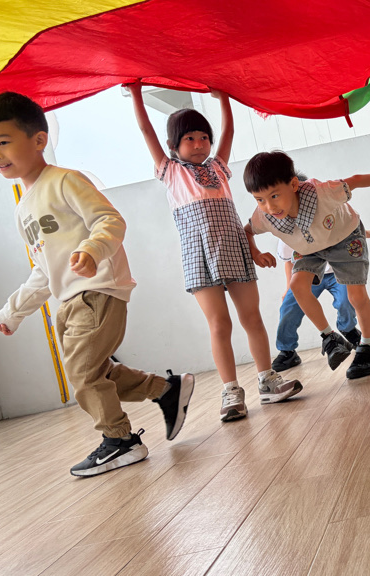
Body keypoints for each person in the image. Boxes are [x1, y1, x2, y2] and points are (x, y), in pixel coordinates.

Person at [0, 92, 194, 477]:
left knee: (82, 373)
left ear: (39, 139)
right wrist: (12, 312)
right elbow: (44, 270)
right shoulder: (23, 209)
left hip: (97, 290)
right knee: (96, 372)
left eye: (3, 142)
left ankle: (121, 440)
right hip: (68, 301)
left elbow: (110, 221)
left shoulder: (64, 181)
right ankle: (165, 390)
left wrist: (92, 250)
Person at [129, 84, 301, 420]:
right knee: (219, 324)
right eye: (190, 138)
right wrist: (136, 93)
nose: (199, 144)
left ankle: (267, 381)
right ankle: (231, 391)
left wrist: (224, 99)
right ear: (173, 145)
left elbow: (230, 131)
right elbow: (146, 129)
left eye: (204, 137)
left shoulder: (218, 168)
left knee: (252, 317)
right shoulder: (170, 171)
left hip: (233, 246)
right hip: (198, 255)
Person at [243, 151, 370, 379]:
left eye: (274, 196)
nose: (269, 206)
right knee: (297, 286)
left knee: (355, 296)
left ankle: (368, 344)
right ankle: (330, 337)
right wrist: (255, 253)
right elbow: (247, 231)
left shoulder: (323, 192)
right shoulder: (265, 216)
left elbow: (356, 180)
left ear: (294, 184)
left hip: (345, 237)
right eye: (260, 199)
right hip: (309, 248)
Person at [272, 230, 370, 371]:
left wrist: (364, 232)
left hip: (336, 272)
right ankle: (287, 350)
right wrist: (288, 287)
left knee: (346, 301)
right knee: (288, 307)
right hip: (309, 274)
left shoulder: (319, 221)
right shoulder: (286, 232)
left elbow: (343, 227)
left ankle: (348, 330)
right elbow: (288, 261)